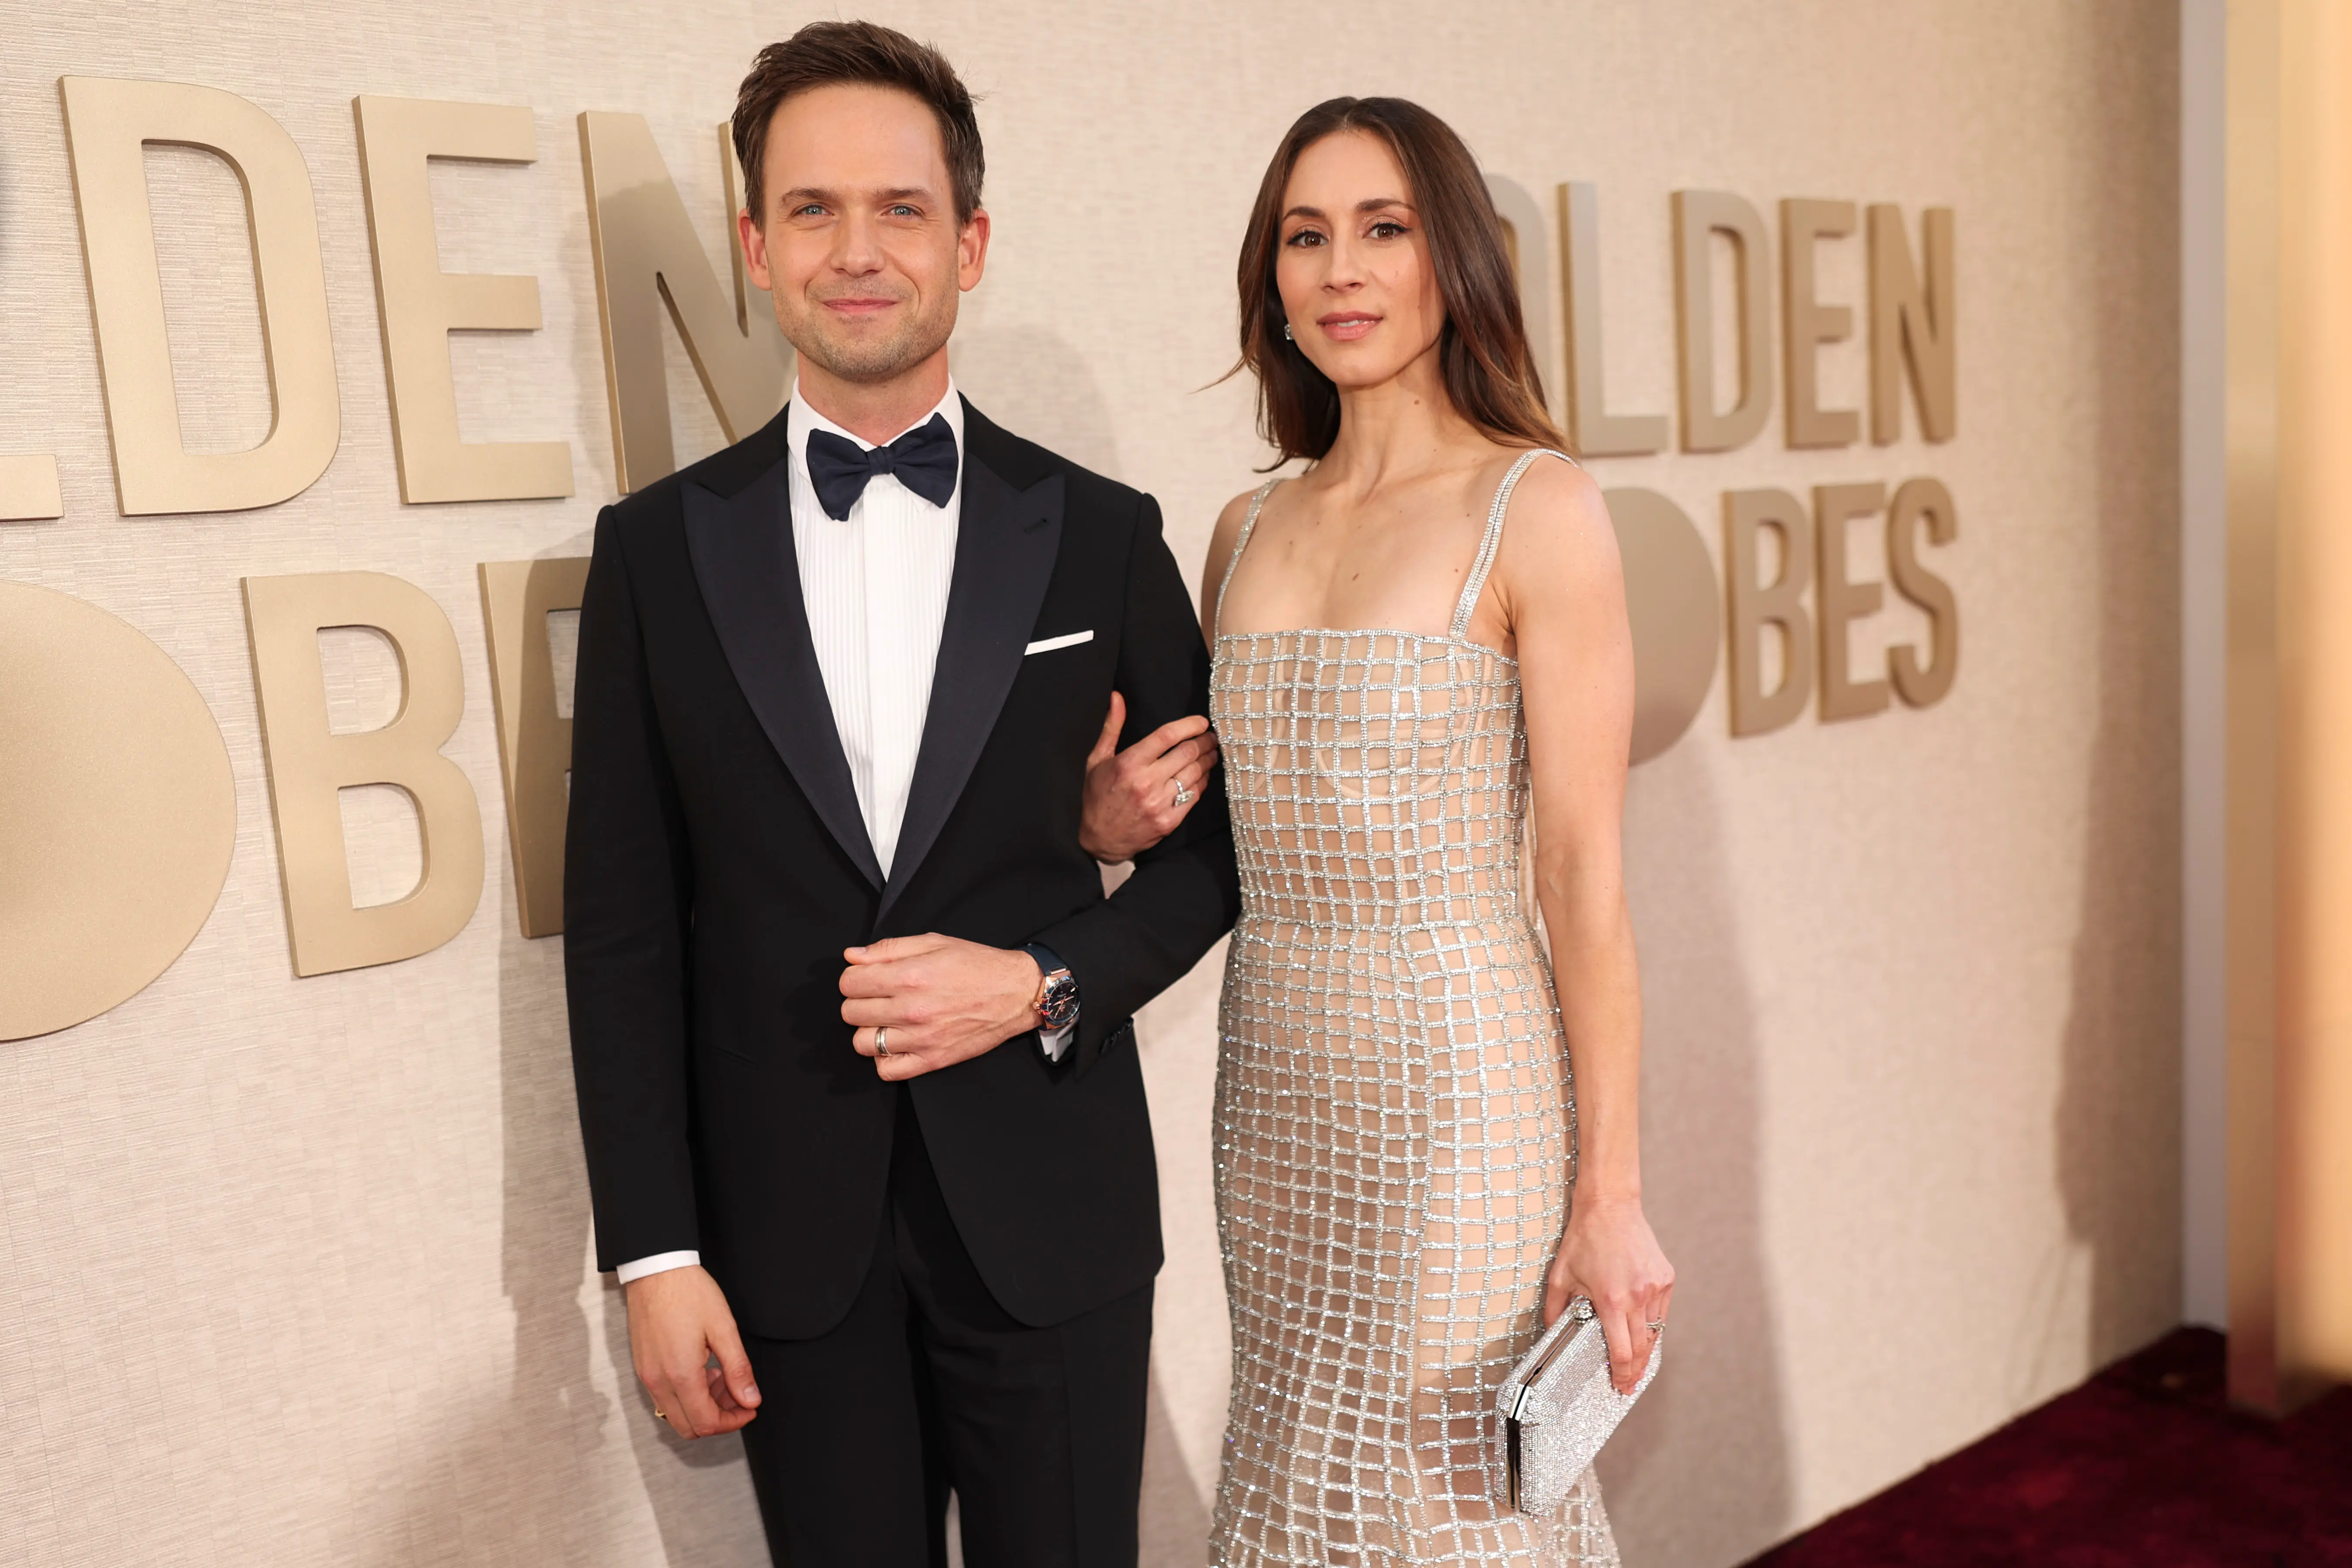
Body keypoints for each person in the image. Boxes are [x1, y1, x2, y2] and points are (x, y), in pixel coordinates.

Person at [560, 23, 1237, 1568]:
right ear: (755, 247)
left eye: (900, 209)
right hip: (782, 1243)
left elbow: (1215, 860)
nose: (856, 251)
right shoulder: (653, 553)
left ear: (968, 243)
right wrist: (654, 1255)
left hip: (1050, 1215)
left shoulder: (1101, 532)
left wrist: (1042, 978)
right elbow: (621, 931)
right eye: (812, 209)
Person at [1112, 95, 1677, 1565]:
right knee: (1298, 1471)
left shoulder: (1534, 505)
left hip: (1461, 1075)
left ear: (1453, 259)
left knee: (1440, 1495)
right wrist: (1104, 819)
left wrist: (1610, 1193)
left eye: (1384, 228)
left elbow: (1581, 877)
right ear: (1271, 277)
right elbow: (1221, 826)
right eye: (1305, 237)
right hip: (1277, 1080)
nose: (1341, 271)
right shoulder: (1244, 529)